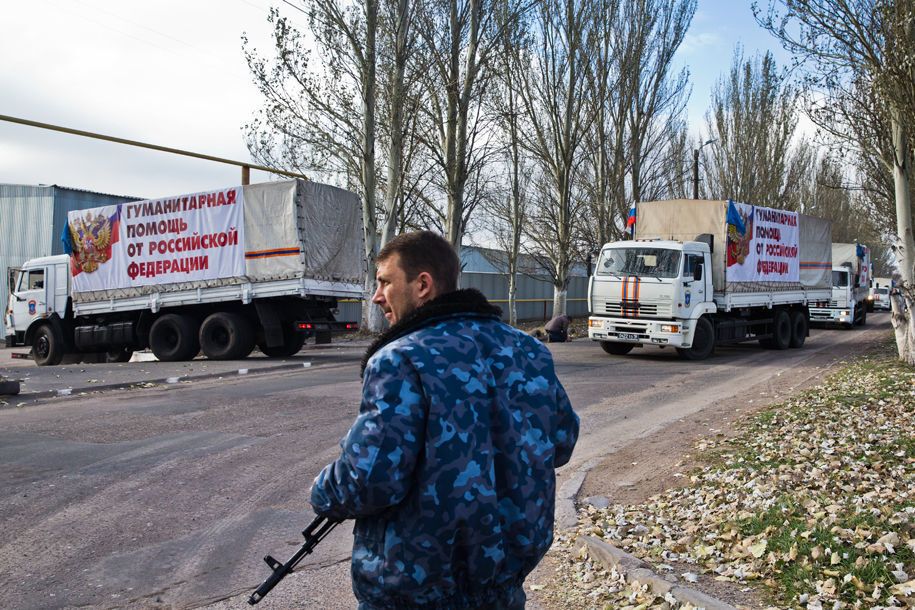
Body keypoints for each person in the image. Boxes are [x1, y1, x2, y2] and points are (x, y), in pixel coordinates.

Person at [310, 231, 579, 610]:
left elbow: (368, 480)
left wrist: (321, 490)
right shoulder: (529, 351)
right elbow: (563, 440)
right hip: (501, 585)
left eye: (385, 281)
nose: (376, 296)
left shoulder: (399, 359)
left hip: (416, 592)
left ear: (422, 284)